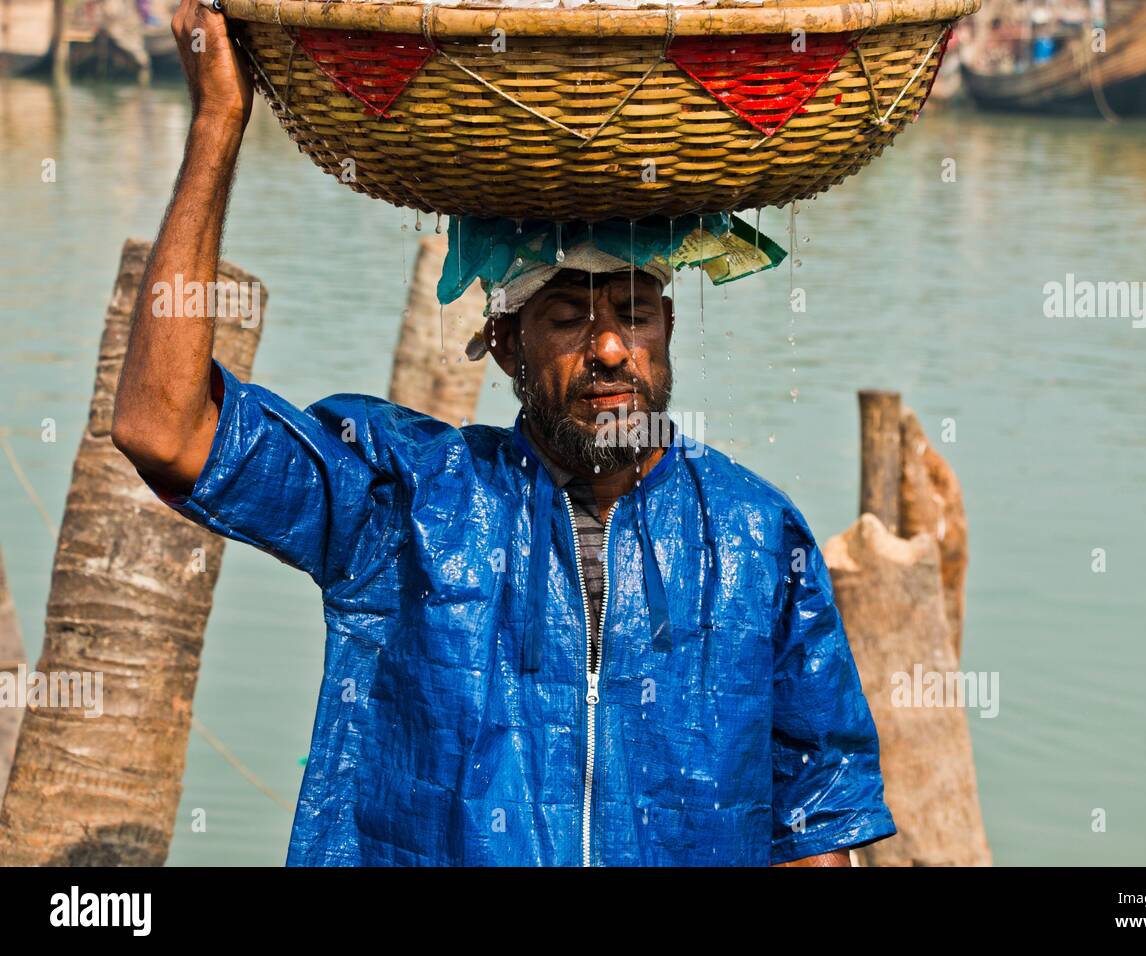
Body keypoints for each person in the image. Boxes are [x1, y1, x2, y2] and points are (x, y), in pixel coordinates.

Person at [111, 0, 896, 866]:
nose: (607, 348)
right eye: (567, 318)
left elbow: (819, 825)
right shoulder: (408, 506)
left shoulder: (754, 533)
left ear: (668, 329)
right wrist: (218, 123)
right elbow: (162, 426)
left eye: (633, 313)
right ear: (504, 345)